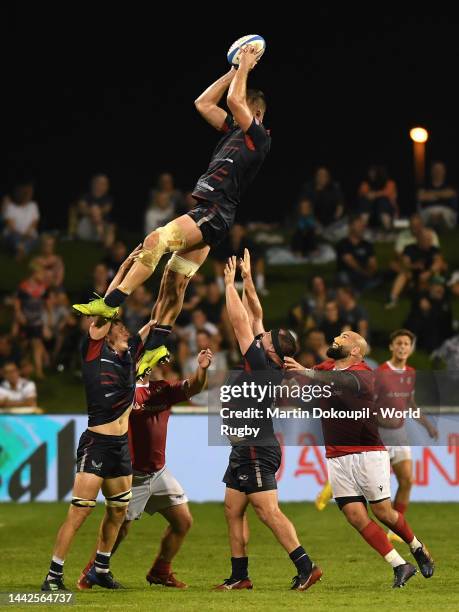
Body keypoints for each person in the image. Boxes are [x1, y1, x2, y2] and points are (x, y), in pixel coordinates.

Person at [73, 44, 270, 377]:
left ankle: (109, 304)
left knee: (155, 241)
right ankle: (156, 347)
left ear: (257, 116)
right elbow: (203, 102)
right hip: (214, 217)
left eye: (243, 111)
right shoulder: (233, 130)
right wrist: (234, 70)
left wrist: (247, 67)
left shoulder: (258, 136)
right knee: (174, 281)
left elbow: (236, 101)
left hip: (214, 211)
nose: (234, 110)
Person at [40, 247, 165, 592]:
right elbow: (108, 308)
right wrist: (126, 267)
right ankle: (53, 576)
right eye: (119, 327)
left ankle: (101, 568)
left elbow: (159, 315)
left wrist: (169, 281)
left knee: (117, 511)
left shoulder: (129, 358)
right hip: (96, 442)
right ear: (107, 334)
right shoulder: (94, 351)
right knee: (79, 513)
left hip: (120, 446)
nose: (126, 329)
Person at [285, 331, 434, 588]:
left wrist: (306, 373)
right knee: (354, 515)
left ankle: (417, 547)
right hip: (335, 455)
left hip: (367, 453)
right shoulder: (325, 367)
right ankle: (401, 565)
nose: (337, 338)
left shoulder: (364, 373)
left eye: (344, 336)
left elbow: (338, 381)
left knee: (383, 512)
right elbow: (308, 376)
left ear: (355, 350)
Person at [218, 250, 322, 591]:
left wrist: (228, 285)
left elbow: (239, 322)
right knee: (233, 508)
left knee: (267, 510)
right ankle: (239, 577)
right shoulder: (269, 359)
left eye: (265, 337)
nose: (260, 334)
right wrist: (248, 280)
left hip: (255, 448)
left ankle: (306, 567)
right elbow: (255, 314)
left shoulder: (261, 364)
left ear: (274, 351)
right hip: (244, 447)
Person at [77, 348, 213, 590]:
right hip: (132, 476)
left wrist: (201, 369)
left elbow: (194, 387)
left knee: (183, 521)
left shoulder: (163, 389)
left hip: (159, 473)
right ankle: (93, 570)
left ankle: (161, 571)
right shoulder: (125, 394)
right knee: (120, 527)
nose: (159, 365)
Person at [375, 330, 438, 541]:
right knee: (373, 490)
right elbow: (367, 403)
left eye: (406, 344)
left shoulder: (410, 372)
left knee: (407, 480)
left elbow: (410, 403)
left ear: (411, 349)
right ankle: (335, 485)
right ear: (392, 347)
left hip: (400, 436)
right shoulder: (381, 372)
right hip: (379, 438)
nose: (402, 347)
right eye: (399, 343)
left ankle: (395, 530)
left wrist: (428, 425)